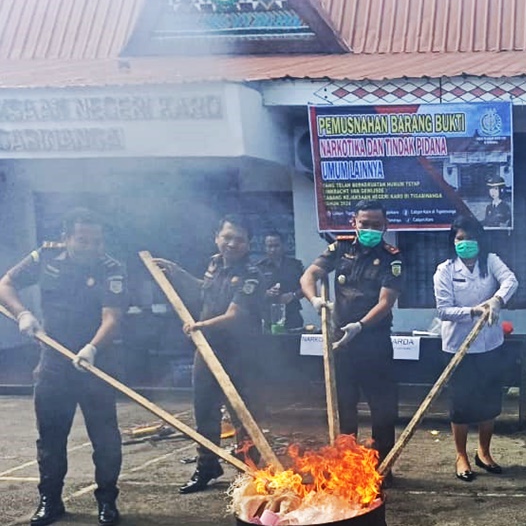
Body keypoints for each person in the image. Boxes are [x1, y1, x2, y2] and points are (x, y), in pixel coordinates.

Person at [0, 208, 127, 526]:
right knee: (51, 437)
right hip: (54, 363)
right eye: (82, 240)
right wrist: (22, 314)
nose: (90, 246)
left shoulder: (112, 268)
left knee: (106, 438)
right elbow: (5, 285)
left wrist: (93, 348)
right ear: (66, 238)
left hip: (96, 364)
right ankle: (50, 501)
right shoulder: (45, 257)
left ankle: (107, 502)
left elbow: (111, 318)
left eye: (96, 240)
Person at [153, 214, 266, 494]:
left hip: (241, 355)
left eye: (239, 239)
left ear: (248, 244)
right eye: (227, 237)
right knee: (204, 411)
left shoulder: (253, 274)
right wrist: (175, 271)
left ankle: (251, 469)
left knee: (243, 414)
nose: (232, 243)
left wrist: (199, 325)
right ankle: (207, 466)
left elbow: (235, 315)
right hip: (206, 351)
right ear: (217, 237)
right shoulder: (214, 265)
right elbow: (204, 292)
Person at [300, 200, 403, 467]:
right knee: (343, 408)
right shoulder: (340, 248)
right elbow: (309, 275)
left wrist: (360, 326)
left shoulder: (393, 257)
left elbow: (385, 302)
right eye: (364, 224)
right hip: (340, 345)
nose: (370, 229)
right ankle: (346, 467)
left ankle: (382, 467)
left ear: (385, 226)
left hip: (374, 343)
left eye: (376, 225)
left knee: (382, 410)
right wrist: (314, 300)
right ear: (353, 223)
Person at [433, 215, 518, 482]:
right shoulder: (445, 270)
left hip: (490, 344)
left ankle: (484, 453)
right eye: (460, 238)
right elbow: (444, 310)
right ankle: (462, 456)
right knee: (461, 405)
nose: (466, 243)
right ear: (453, 241)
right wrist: (473, 311)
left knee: (489, 402)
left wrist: (496, 300)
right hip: (459, 346)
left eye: (470, 238)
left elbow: (511, 281)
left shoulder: (490, 261)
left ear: (480, 239)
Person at [255, 231, 304, 331]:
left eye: (276, 246)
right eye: (269, 246)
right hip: (269, 317)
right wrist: (266, 293)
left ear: (283, 246)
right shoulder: (259, 268)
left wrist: (293, 295)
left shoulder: (295, 265)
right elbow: (253, 295)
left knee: (294, 345)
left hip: (292, 314)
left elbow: (307, 288)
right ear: (265, 248)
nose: (273, 249)